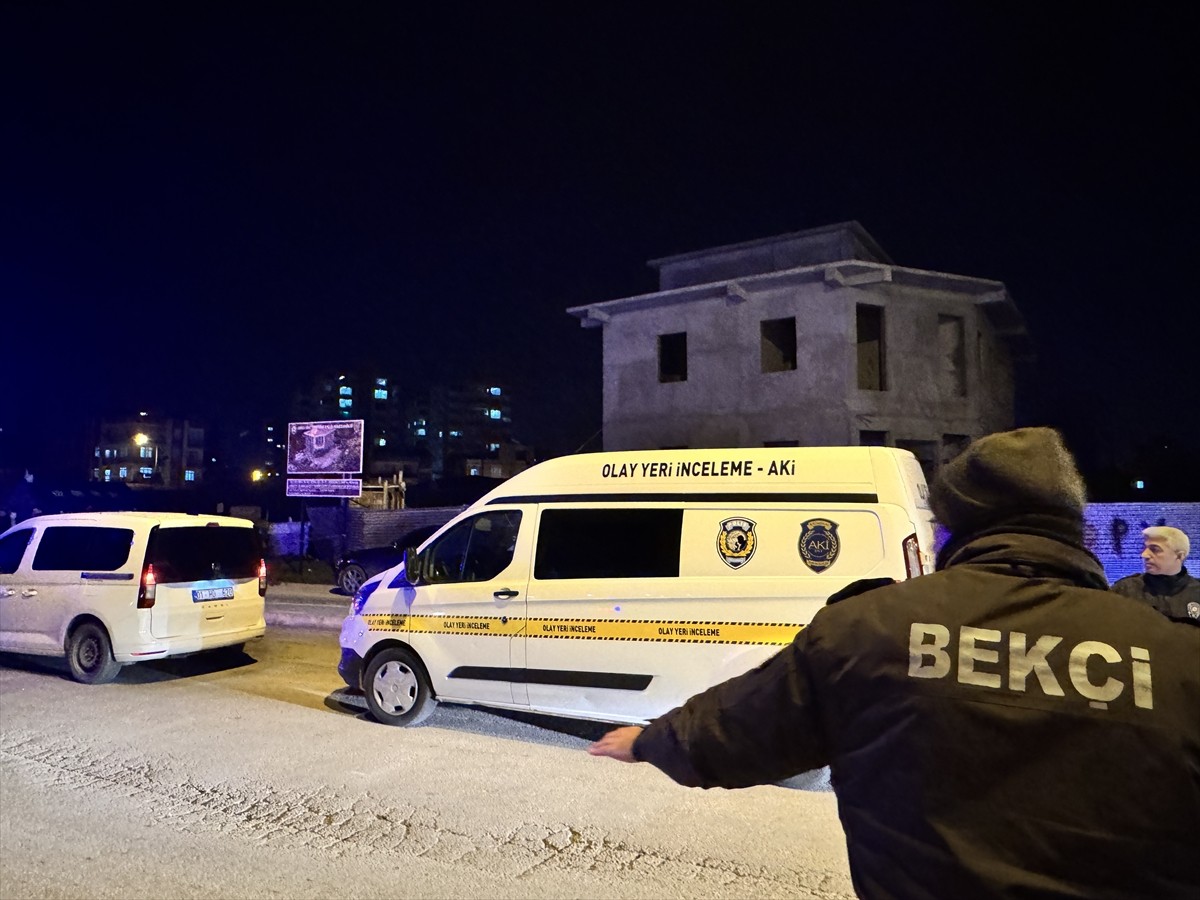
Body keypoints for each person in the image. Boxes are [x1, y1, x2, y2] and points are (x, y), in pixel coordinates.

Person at [588, 428, 1200, 899]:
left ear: (956, 523)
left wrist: (652, 742)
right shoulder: (1177, 659)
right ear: (1071, 523)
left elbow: (745, 725)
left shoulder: (870, 627)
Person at [1111, 525, 1200, 625]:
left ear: (1179, 556)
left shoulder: (1197, 592)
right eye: (1145, 548)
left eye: (1155, 549)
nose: (1144, 555)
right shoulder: (1125, 590)